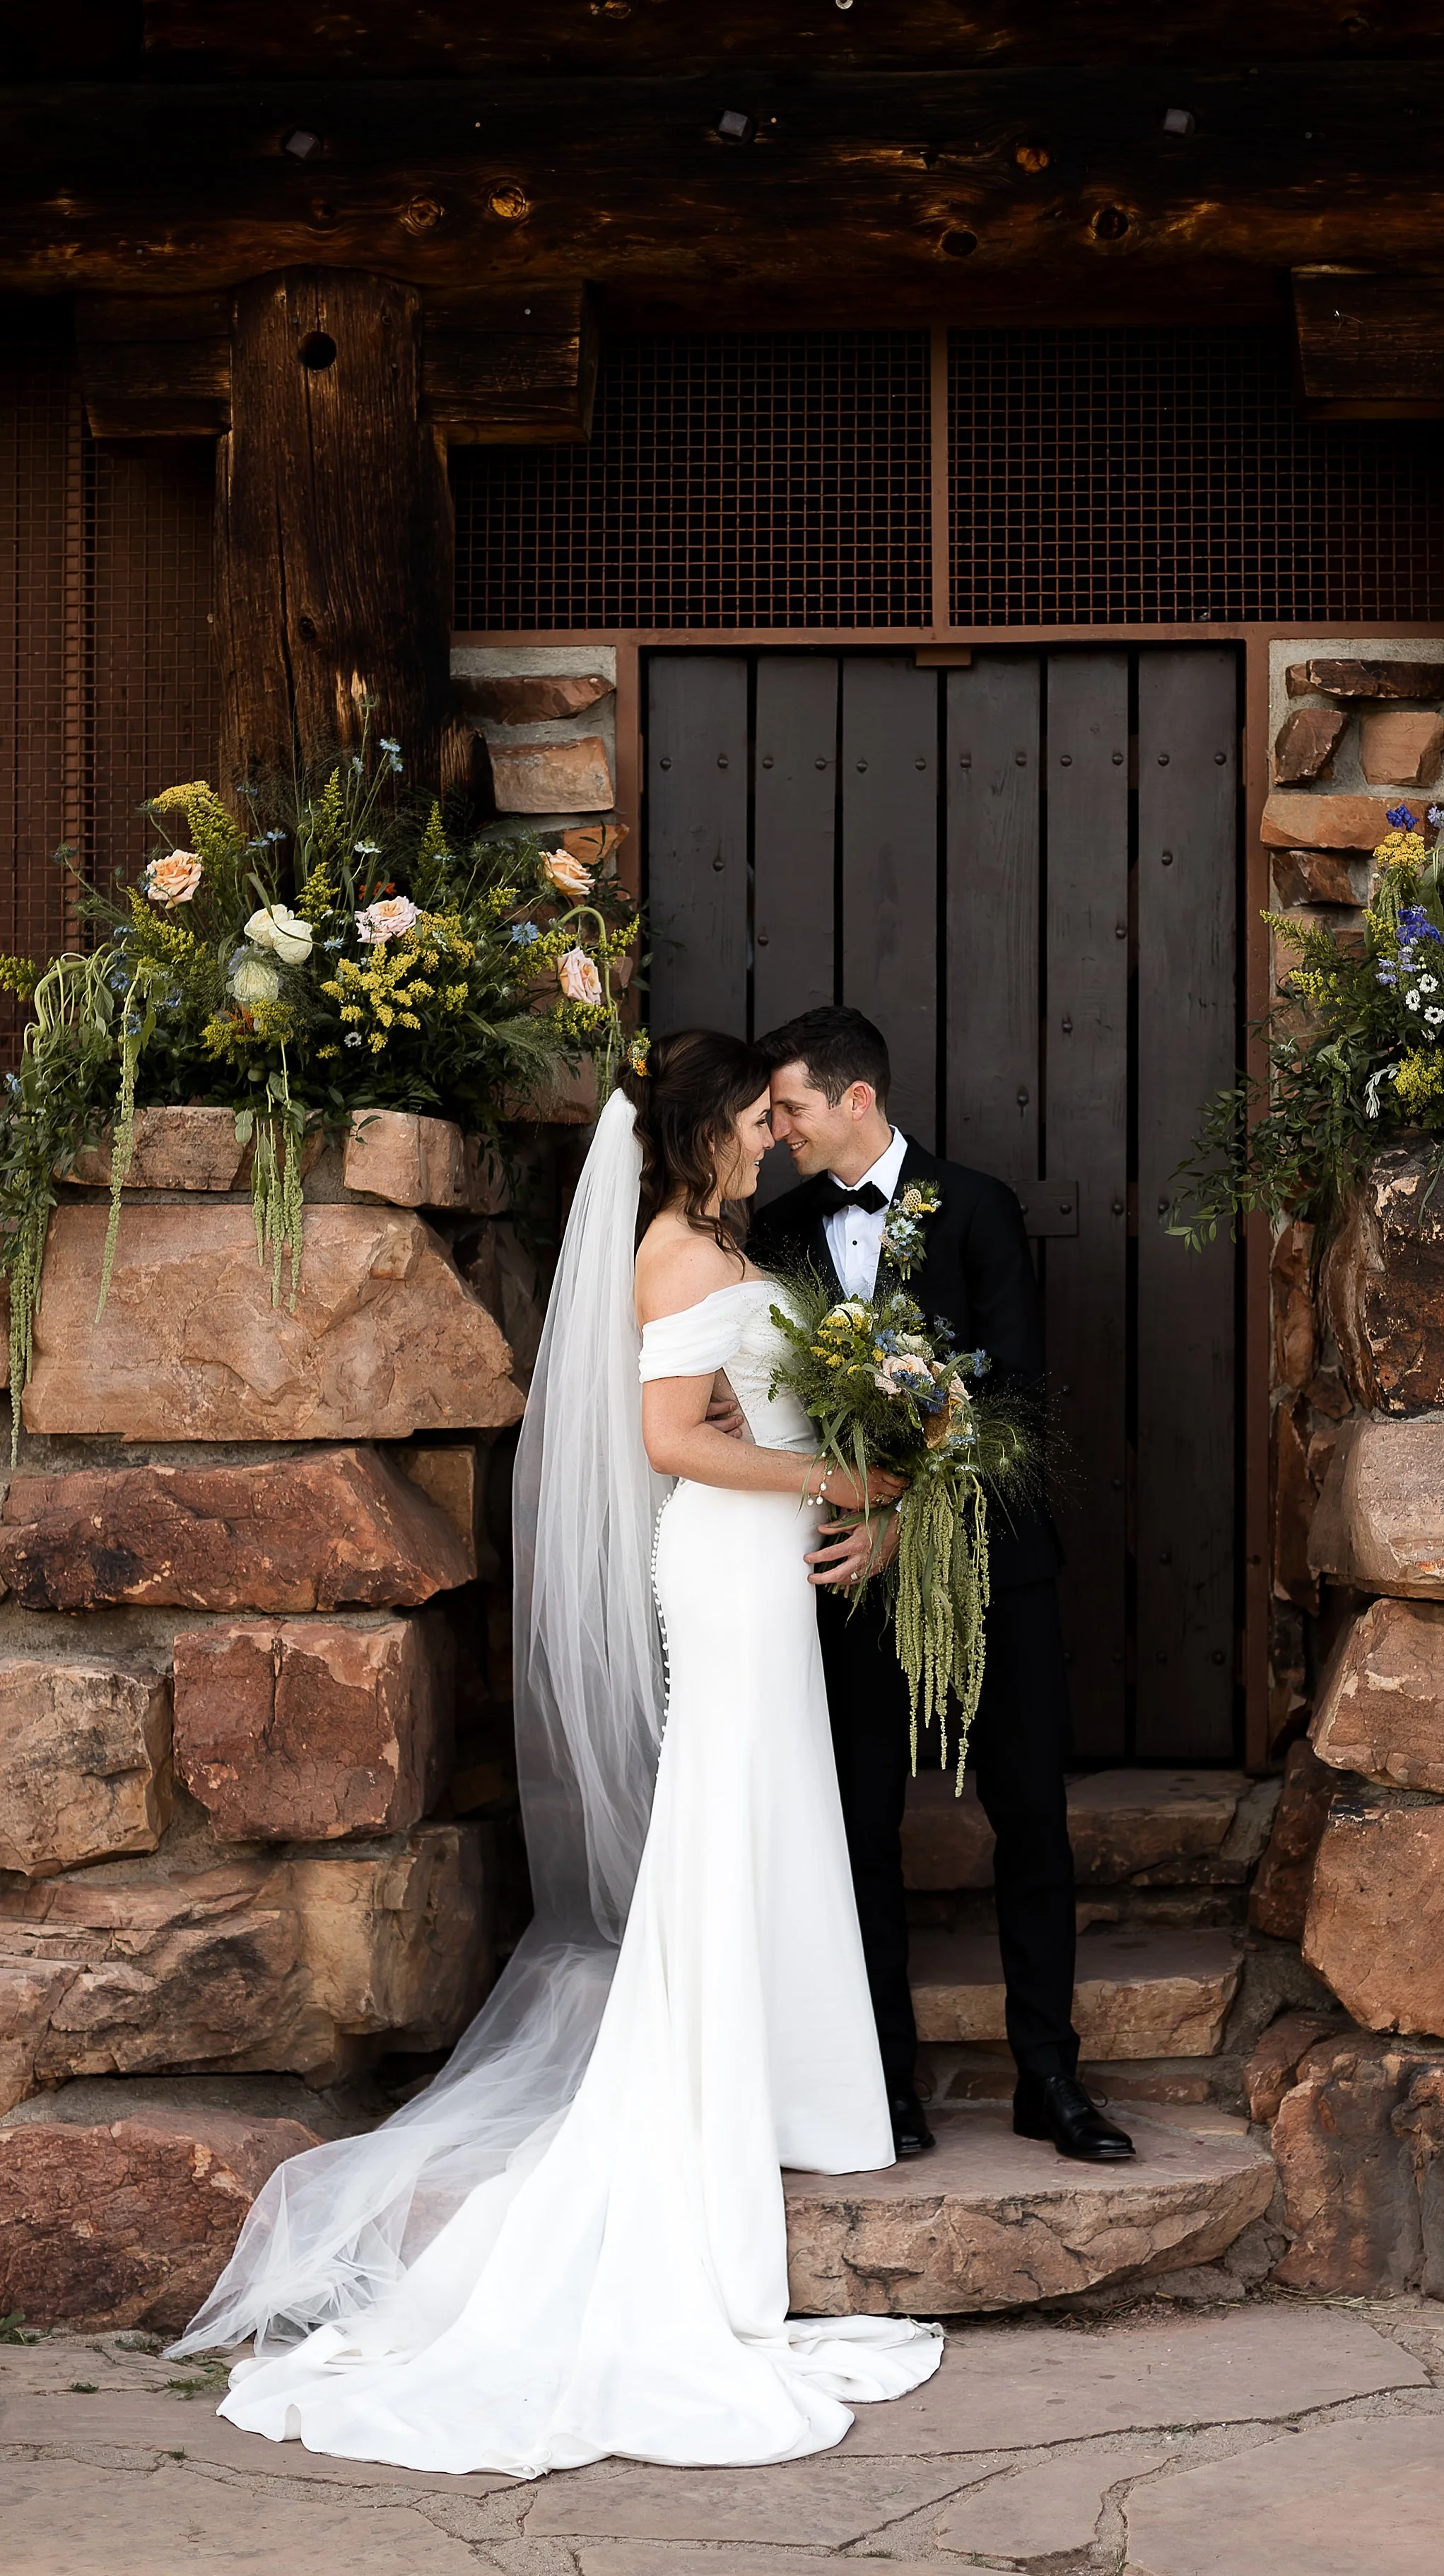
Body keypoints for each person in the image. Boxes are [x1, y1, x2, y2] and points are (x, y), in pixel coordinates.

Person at [168, 1030, 942, 2477]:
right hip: (722, 1559)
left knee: (767, 1809)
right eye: (751, 1122)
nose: (772, 1138)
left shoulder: (721, 1243)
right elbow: (664, 1440)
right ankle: (717, 2094)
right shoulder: (672, 1251)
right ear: (701, 1133)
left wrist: (841, 1459)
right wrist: (823, 1473)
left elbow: (728, 1398)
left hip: (760, 1549)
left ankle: (792, 2087)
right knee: (729, 1806)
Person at [748, 1006, 1134, 2168]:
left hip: (989, 1560)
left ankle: (1050, 2077)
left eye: (793, 1110)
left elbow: (1008, 1389)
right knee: (858, 1825)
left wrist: (903, 1517)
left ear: (855, 1099)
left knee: (1032, 1819)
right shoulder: (778, 1229)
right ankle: (883, 2079)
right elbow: (768, 1392)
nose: (778, 1132)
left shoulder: (978, 1206)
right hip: (842, 1575)